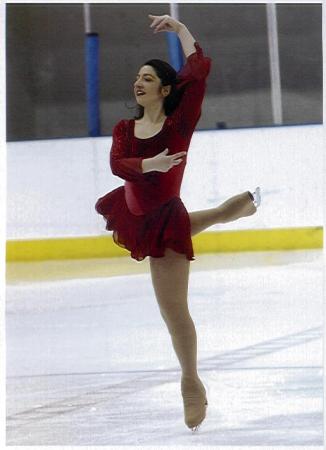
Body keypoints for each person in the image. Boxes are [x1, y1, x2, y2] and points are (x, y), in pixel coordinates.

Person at [95, 14, 261, 431]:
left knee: (174, 312)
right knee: (205, 223)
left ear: (165, 89)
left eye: (148, 78)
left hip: (165, 220)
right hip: (133, 212)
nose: (138, 83)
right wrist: (150, 162)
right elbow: (118, 164)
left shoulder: (178, 123)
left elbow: (198, 71)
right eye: (137, 77)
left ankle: (191, 382)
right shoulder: (124, 129)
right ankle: (227, 212)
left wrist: (181, 30)